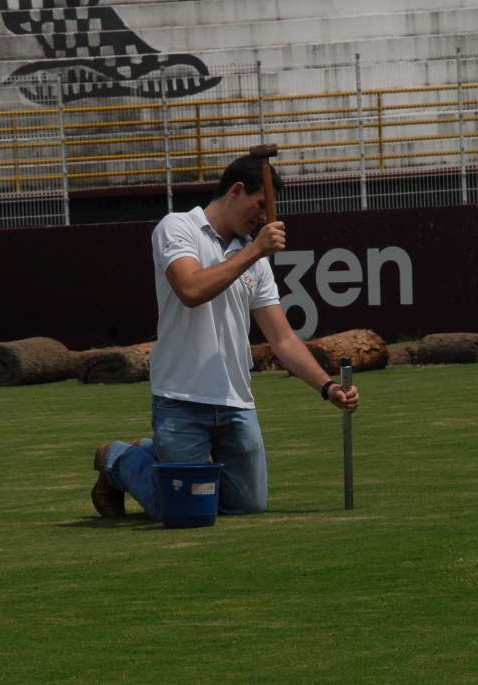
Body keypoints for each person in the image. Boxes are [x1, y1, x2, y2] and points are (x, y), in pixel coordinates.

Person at [91, 155, 360, 519]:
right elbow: (191, 289)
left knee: (248, 505)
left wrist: (327, 387)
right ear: (236, 191)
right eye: (260, 205)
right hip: (180, 398)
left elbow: (282, 339)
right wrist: (254, 251)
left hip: (236, 400)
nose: (264, 218)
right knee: (186, 512)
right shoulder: (177, 228)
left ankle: (158, 453)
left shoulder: (254, 259)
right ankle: (118, 458)